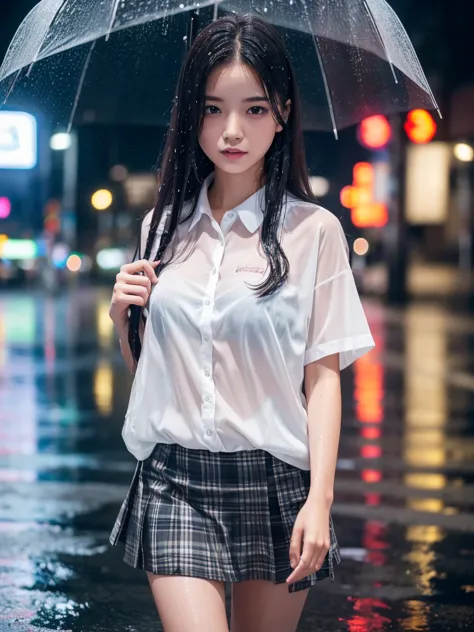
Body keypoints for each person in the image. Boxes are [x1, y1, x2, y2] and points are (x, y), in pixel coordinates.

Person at [108, 12, 375, 632]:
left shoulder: (315, 232)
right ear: (189, 115)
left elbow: (324, 378)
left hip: (276, 478)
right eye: (212, 109)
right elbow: (155, 375)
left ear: (282, 112)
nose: (231, 130)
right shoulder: (161, 230)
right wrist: (125, 320)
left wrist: (320, 498)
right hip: (175, 476)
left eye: (253, 109)